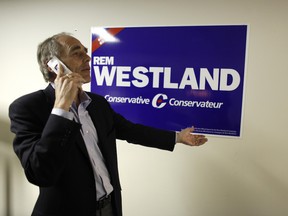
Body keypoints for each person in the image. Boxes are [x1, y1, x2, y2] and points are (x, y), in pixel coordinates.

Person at [9, 32, 208, 216]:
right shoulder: (27, 108)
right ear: (51, 64)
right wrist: (61, 108)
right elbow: (39, 172)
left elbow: (131, 130)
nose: (88, 58)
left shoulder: (98, 104)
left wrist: (177, 137)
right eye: (77, 53)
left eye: (86, 52)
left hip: (109, 206)